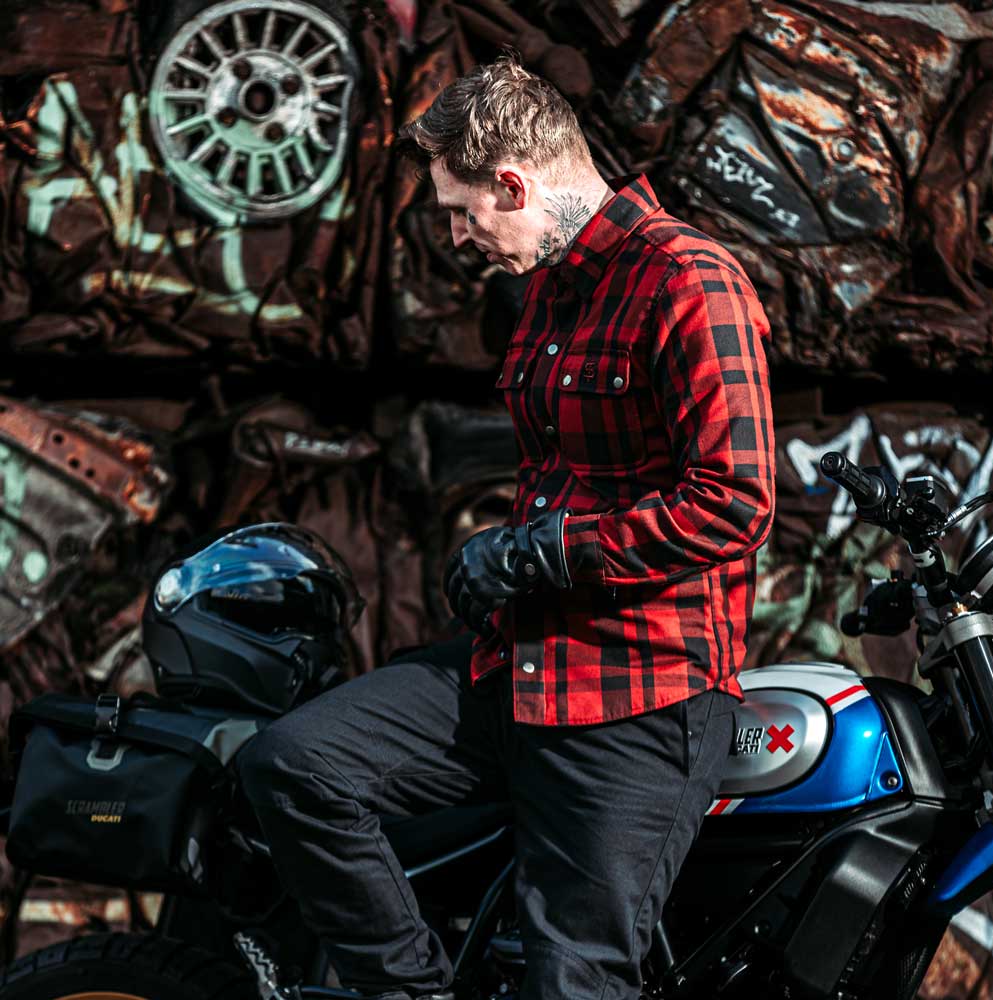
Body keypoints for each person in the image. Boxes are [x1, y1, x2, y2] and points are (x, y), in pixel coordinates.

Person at [238, 54, 775, 1000]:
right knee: (295, 765)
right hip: (515, 670)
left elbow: (733, 501)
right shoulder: (554, 290)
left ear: (514, 182)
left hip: (637, 699)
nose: (455, 235)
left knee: (574, 980)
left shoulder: (690, 280)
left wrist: (541, 550)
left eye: (459, 209)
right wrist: (502, 565)